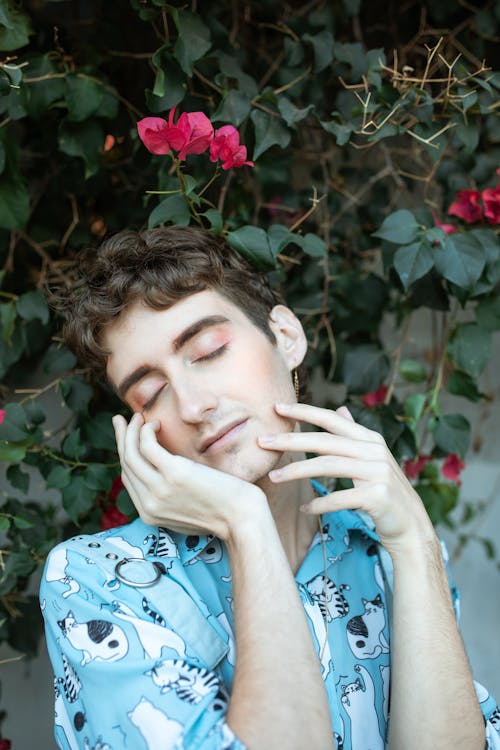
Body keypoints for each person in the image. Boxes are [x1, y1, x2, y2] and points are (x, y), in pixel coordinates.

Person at [41, 225, 500, 750]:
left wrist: (416, 543)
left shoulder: (385, 555)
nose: (193, 406)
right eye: (151, 393)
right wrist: (247, 523)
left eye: (208, 350)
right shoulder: (100, 581)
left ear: (286, 337)